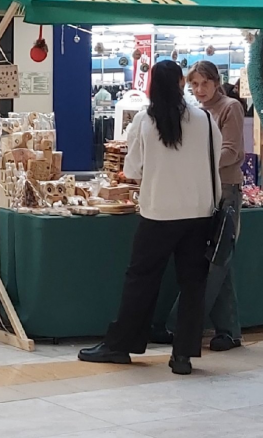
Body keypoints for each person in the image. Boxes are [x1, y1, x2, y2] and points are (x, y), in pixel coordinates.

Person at [79, 59, 220, 376]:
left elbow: (132, 170)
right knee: (193, 285)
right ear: (183, 84)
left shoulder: (145, 120)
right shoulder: (205, 119)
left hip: (159, 213)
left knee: (141, 280)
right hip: (200, 213)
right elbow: (215, 160)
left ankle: (120, 345)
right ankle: (183, 355)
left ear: (152, 86)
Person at [153, 60, 247, 353]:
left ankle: (179, 325)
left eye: (205, 83)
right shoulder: (195, 113)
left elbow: (232, 151)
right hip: (204, 190)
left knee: (215, 262)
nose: (199, 89)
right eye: (194, 84)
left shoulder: (230, 108)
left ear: (217, 82)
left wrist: (196, 164)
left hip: (226, 190)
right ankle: (229, 331)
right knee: (220, 258)